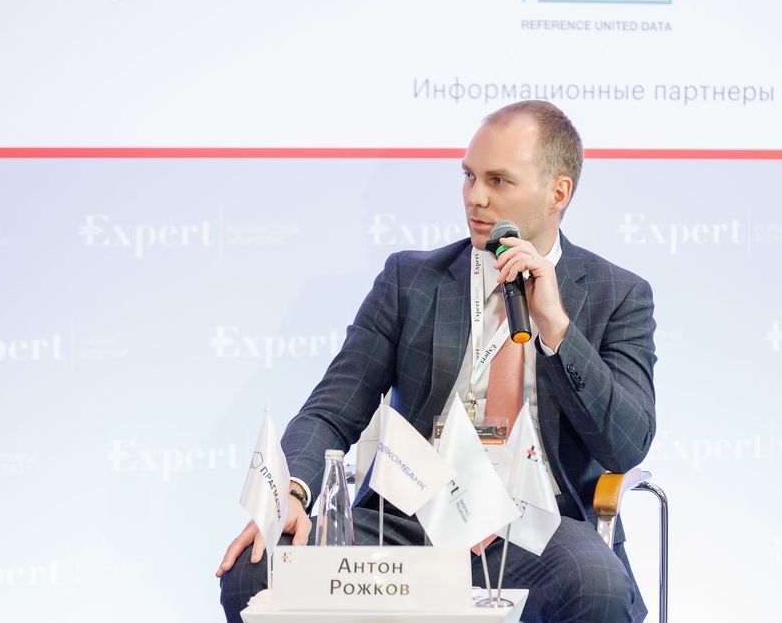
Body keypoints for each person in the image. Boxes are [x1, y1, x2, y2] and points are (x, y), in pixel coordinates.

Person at [217, 100, 657, 622]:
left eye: (498, 181)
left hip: (539, 527)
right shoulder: (411, 281)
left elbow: (626, 444)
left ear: (557, 193)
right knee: (255, 570)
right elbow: (331, 409)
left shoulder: (618, 295)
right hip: (409, 520)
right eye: (468, 176)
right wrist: (291, 493)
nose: (475, 197)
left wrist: (556, 327)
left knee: (596, 586)